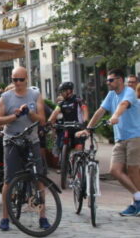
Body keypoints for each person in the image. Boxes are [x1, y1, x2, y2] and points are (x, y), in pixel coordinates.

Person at [77, 68, 140, 216]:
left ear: (119, 80)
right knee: (115, 170)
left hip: (134, 137)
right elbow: (100, 111)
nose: (108, 83)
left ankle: (135, 202)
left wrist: (116, 116)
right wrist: (88, 129)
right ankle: (138, 198)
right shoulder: (111, 95)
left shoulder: (128, 92)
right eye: (107, 80)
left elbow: (123, 105)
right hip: (120, 139)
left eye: (111, 80)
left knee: (133, 172)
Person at [0, 67, 48, 231]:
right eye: (14, 80)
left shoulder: (35, 95)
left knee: (38, 178)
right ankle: (5, 217)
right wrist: (15, 116)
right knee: (9, 180)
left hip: (31, 140)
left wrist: (31, 113)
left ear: (26, 79)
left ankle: (43, 216)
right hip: (12, 140)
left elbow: (42, 120)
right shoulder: (6, 97)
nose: (18, 83)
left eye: (21, 80)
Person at [47, 81, 89, 157]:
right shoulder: (61, 103)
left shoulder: (78, 100)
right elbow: (55, 113)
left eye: (62, 91)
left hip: (78, 128)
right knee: (62, 146)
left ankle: (78, 163)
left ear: (69, 91)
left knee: (78, 148)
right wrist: (49, 122)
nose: (60, 94)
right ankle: (64, 163)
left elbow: (84, 109)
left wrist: (85, 122)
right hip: (66, 129)